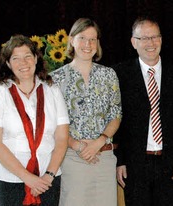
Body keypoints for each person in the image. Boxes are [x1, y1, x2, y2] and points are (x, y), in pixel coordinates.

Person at [112, 16, 173, 206]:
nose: (151, 43)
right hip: (134, 164)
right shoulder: (119, 74)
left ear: (161, 40)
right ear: (134, 42)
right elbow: (116, 123)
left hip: (170, 164)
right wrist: (120, 161)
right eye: (145, 38)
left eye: (155, 37)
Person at [0, 35, 69, 206]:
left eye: (28, 56)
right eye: (16, 58)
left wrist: (48, 175)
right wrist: (28, 178)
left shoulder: (52, 90)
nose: (23, 63)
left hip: (47, 180)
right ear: (8, 63)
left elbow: (62, 138)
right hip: (9, 180)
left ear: (36, 58)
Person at [49, 18, 122, 206]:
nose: (87, 44)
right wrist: (77, 146)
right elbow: (52, 123)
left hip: (104, 158)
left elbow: (116, 115)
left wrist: (99, 141)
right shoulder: (55, 79)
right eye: (82, 38)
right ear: (72, 40)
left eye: (93, 39)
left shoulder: (108, 75)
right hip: (72, 159)